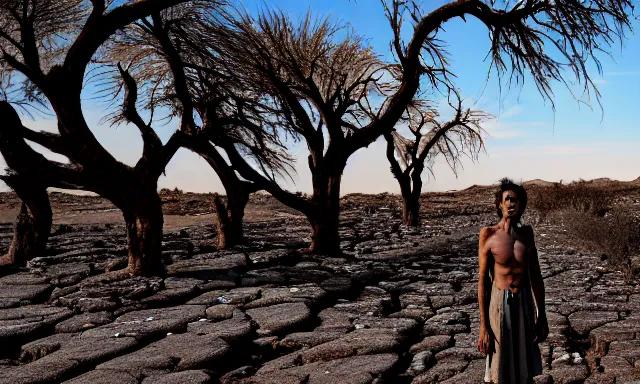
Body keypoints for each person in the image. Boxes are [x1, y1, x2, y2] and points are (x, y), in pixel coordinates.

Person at [477, 178, 548, 383]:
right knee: (500, 364)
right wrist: (484, 326)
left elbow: (536, 276)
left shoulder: (526, 234)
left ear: (521, 205)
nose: (511, 203)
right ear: (499, 203)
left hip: (523, 302)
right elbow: (483, 281)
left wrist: (540, 314)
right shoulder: (488, 234)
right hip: (499, 304)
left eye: (516, 200)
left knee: (524, 366)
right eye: (507, 199)